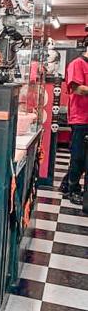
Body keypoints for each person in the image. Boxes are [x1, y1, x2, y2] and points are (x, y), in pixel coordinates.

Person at [60, 37, 88, 204]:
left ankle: (66, 183)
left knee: (84, 157)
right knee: (78, 155)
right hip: (80, 117)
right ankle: (73, 189)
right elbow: (77, 88)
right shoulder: (77, 64)